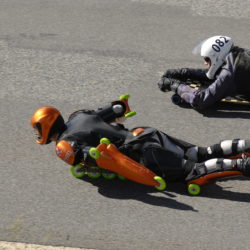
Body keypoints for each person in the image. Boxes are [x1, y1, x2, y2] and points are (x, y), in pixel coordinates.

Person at [30, 95, 250, 188]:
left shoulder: (63, 145)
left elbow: (94, 156)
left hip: (141, 150)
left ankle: (242, 165)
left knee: (192, 171)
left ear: (46, 126)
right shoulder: (77, 116)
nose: (38, 133)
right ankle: (244, 145)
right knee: (199, 152)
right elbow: (115, 109)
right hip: (144, 131)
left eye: (38, 129)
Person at [158, 35, 250, 109]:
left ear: (217, 56)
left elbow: (199, 100)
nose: (205, 63)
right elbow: (216, 74)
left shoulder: (228, 74)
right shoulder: (239, 53)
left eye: (207, 59)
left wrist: (175, 85)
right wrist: (185, 72)